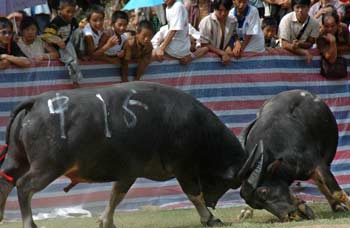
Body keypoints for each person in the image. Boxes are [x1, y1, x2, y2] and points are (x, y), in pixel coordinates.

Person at [42, 0, 82, 87]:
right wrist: (57, 40)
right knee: (72, 61)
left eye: (73, 12)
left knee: (79, 33)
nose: (70, 14)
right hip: (56, 46)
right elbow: (46, 36)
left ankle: (81, 54)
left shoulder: (74, 21)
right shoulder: (56, 22)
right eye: (68, 11)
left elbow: (76, 34)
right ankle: (75, 81)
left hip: (67, 44)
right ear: (60, 10)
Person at [154, 0, 193, 65]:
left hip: (177, 49)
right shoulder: (168, 7)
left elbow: (173, 30)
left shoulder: (177, 6)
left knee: (152, 53)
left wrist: (161, 48)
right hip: (179, 47)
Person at [198, 0, 236, 64]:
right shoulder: (206, 21)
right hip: (207, 58)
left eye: (226, 10)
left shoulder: (232, 20)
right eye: (220, 10)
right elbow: (204, 44)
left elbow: (233, 35)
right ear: (214, 9)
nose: (223, 13)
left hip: (224, 57)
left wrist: (229, 47)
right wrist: (222, 52)